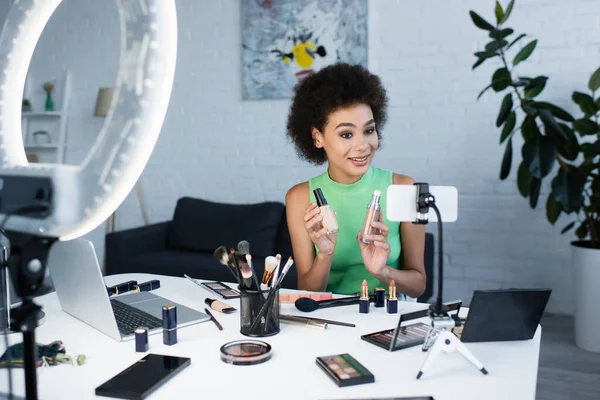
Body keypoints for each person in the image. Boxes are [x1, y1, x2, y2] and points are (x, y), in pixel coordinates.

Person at [285, 63, 426, 299]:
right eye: (346, 134)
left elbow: (418, 285)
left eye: (369, 130)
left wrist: (382, 271)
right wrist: (325, 254)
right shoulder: (299, 198)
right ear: (317, 137)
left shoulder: (404, 188)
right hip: (331, 319)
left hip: (388, 313)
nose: (362, 145)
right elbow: (307, 292)